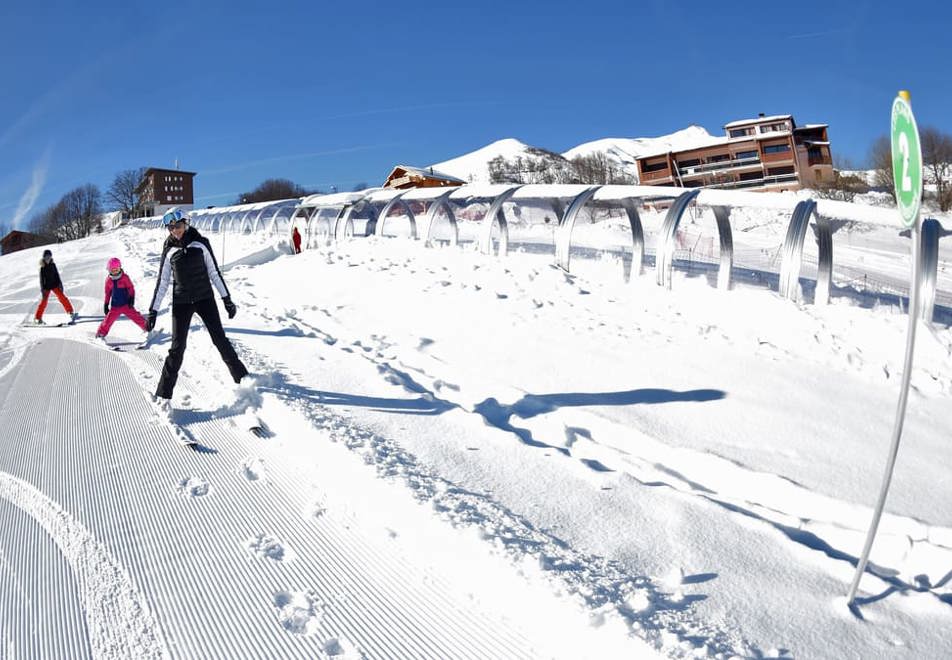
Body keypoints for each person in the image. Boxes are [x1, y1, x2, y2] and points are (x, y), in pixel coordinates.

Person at [147, 208, 248, 401]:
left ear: (186, 223)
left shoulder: (201, 243)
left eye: (177, 225)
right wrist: (153, 311)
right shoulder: (169, 250)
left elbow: (214, 273)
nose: (174, 230)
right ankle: (163, 394)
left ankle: (242, 378)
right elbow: (162, 281)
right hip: (181, 302)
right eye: (170, 227)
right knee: (177, 348)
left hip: (205, 298)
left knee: (220, 340)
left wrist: (226, 298)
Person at [96, 257, 149, 339]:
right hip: (115, 307)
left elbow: (131, 288)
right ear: (109, 270)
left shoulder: (125, 278)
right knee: (107, 321)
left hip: (126, 305)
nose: (115, 272)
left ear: (120, 268)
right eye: (112, 270)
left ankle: (147, 328)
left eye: (116, 270)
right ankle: (101, 334)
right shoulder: (109, 281)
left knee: (136, 317)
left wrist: (131, 299)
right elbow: (107, 293)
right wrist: (106, 304)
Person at [35, 248, 77, 324]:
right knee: (44, 302)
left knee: (63, 298)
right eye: (46, 257)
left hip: (55, 285)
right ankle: (38, 318)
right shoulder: (42, 268)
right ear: (43, 258)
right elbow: (41, 280)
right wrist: (42, 290)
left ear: (51, 257)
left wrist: (60, 284)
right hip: (46, 287)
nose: (48, 259)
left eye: (49, 257)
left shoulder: (53, 265)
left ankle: (70, 311)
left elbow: (57, 275)